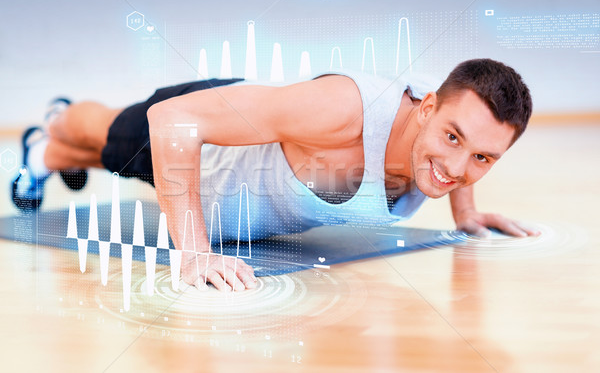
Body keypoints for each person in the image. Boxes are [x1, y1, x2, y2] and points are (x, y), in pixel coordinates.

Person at [12, 58, 539, 292]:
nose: (455, 168)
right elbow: (173, 122)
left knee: (95, 155)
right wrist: (193, 252)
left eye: (483, 159)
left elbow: (464, 147)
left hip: (234, 192)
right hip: (207, 150)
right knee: (107, 137)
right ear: (426, 111)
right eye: (452, 139)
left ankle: (43, 154)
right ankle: (58, 122)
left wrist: (466, 212)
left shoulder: (449, 129)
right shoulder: (344, 110)